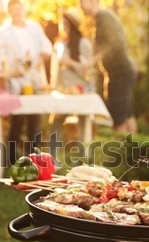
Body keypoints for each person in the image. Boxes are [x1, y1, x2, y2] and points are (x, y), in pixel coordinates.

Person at [0, 0, 52, 164]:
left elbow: (46, 46)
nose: (17, 12)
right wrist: (9, 71)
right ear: (8, 12)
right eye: (13, 9)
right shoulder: (3, 33)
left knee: (35, 119)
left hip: (34, 79)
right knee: (17, 119)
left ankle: (34, 159)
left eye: (19, 8)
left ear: (23, 9)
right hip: (15, 81)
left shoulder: (34, 27)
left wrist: (44, 55)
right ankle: (11, 160)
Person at [80, 0, 138, 133]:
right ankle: (133, 152)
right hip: (119, 73)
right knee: (127, 116)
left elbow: (114, 45)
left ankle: (121, 153)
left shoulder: (105, 18)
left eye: (82, 1)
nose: (80, 5)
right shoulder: (101, 19)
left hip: (119, 73)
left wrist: (92, 61)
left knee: (118, 118)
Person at [49, 7, 96, 149]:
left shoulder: (84, 44)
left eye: (66, 24)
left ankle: (84, 158)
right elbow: (55, 71)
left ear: (74, 25)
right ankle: (53, 158)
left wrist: (69, 63)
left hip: (81, 91)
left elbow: (88, 71)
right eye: (62, 23)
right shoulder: (59, 44)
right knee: (56, 121)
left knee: (83, 121)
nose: (63, 27)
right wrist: (53, 88)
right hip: (63, 92)